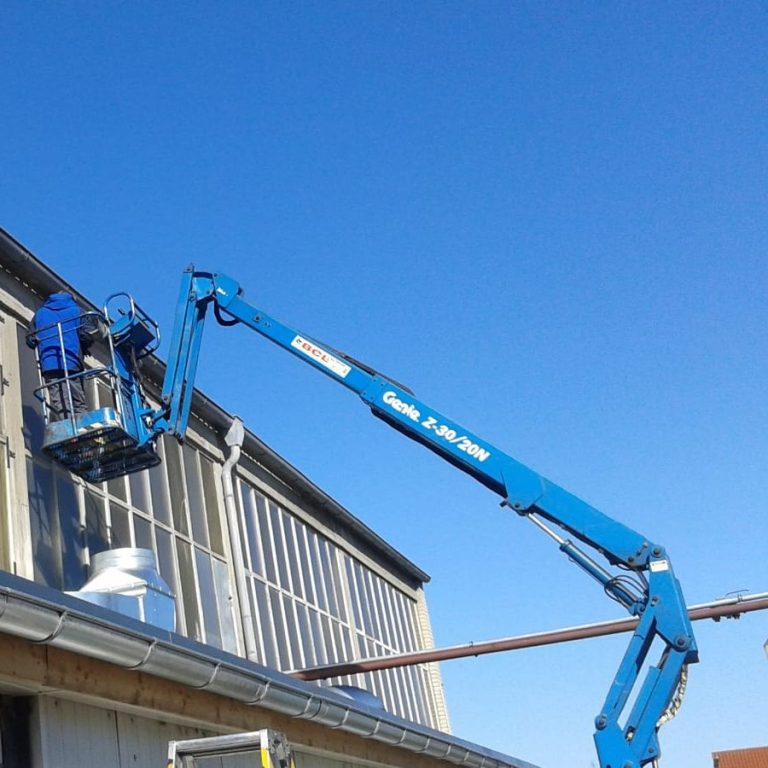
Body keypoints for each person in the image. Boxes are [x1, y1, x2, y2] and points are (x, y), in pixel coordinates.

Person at [27, 291, 94, 422]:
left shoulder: (39, 314)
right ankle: (82, 425)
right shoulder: (77, 311)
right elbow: (86, 335)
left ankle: (67, 425)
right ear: (72, 298)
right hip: (71, 360)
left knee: (60, 401)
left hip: (49, 363)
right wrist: (84, 347)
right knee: (77, 399)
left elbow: (30, 339)